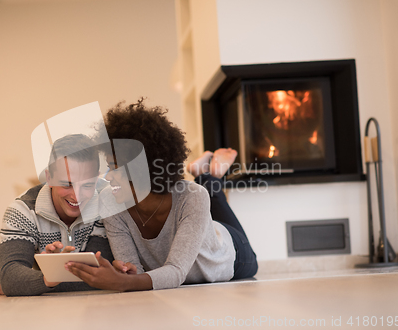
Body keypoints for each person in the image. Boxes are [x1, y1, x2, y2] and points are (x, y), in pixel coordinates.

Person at [65, 99, 258, 291]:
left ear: (142, 169)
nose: (108, 177)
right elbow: (134, 272)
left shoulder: (192, 197)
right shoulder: (110, 200)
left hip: (228, 253)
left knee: (206, 194)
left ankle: (209, 176)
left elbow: (176, 271)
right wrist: (126, 273)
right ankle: (205, 174)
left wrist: (122, 282)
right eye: (109, 167)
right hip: (198, 226)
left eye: (115, 168)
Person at [0, 134, 113, 296]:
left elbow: (101, 275)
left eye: (87, 185)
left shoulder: (107, 203)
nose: (77, 196)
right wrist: (41, 278)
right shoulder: (22, 211)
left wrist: (40, 279)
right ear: (49, 178)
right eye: (67, 185)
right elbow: (10, 277)